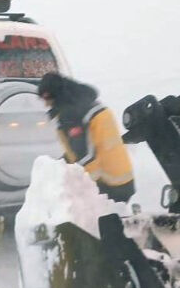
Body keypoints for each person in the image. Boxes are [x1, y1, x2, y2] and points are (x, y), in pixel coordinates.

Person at [37, 73, 135, 203]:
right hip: (122, 177)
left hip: (106, 186)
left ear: (54, 93)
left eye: (46, 98)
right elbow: (89, 143)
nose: (46, 104)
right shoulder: (88, 104)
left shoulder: (71, 114)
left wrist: (88, 188)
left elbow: (84, 155)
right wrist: (61, 164)